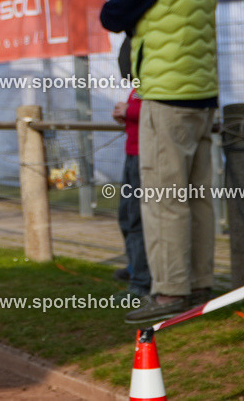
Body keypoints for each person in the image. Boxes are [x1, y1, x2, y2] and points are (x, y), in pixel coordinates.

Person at [100, 0, 218, 323]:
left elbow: (111, 16)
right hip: (204, 94)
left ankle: (169, 292)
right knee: (198, 195)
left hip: (165, 95)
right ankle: (201, 282)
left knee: (164, 196)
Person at [110, 38, 150, 298]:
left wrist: (129, 111)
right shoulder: (137, 88)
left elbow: (152, 111)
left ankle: (142, 282)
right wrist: (123, 113)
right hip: (131, 154)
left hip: (144, 156)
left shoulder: (152, 85)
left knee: (137, 218)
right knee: (126, 215)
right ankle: (136, 265)